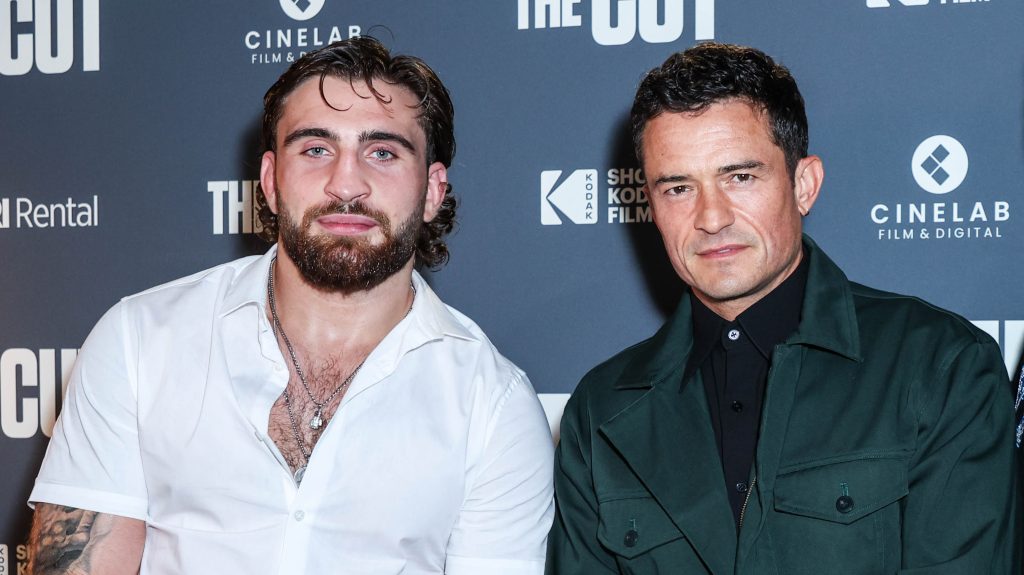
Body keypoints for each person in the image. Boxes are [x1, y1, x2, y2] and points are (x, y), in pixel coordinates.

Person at [28, 36, 554, 574]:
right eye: (316, 149)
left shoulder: (493, 406)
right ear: (271, 181)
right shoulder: (139, 341)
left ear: (432, 191)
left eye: (382, 152)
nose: (346, 183)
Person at [546, 42, 1020, 574]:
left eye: (740, 177)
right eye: (678, 188)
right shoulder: (602, 411)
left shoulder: (939, 366)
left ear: (803, 185)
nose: (711, 218)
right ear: (651, 206)